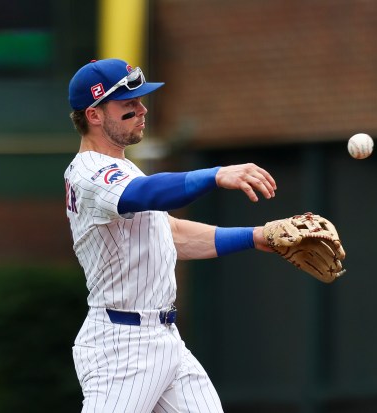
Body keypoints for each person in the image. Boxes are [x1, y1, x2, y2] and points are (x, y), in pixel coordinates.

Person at [64, 58, 277, 413]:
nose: (142, 108)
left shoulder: (122, 167)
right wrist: (215, 174)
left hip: (164, 338)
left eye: (140, 100)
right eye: (128, 104)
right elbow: (147, 193)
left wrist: (255, 236)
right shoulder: (88, 172)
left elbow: (171, 233)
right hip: (122, 344)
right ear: (95, 115)